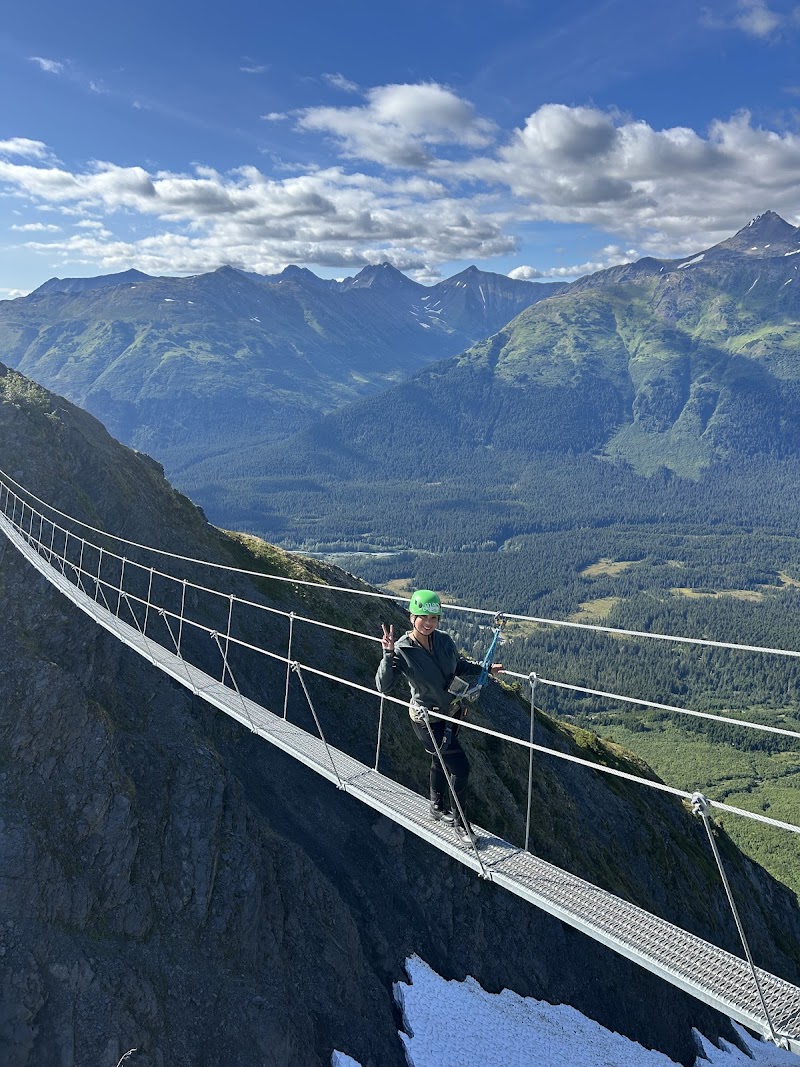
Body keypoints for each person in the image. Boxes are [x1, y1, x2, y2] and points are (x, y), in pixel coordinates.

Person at [375, 589, 503, 844]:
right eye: (424, 617)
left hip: (451, 713)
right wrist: (388, 654)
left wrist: (485, 669)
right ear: (412, 617)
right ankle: (461, 824)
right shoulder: (402, 649)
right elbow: (384, 686)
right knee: (461, 768)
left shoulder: (443, 640)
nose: (429, 623)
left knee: (439, 760)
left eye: (434, 618)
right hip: (426, 719)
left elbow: (459, 666)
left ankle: (436, 807)